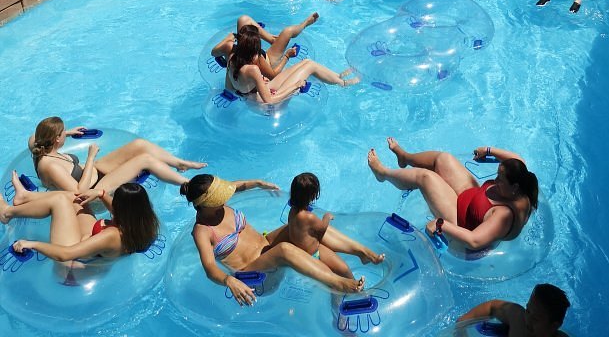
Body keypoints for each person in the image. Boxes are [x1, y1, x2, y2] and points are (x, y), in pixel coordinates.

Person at [182, 174, 366, 304]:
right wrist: (229, 281)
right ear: (205, 204)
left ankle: (362, 253)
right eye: (219, 197)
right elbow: (210, 268)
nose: (225, 197)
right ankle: (337, 282)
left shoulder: (219, 205)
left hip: (266, 244)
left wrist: (259, 183)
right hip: (255, 275)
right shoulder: (202, 231)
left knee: (302, 223)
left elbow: (238, 185)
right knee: (284, 249)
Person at [367, 139, 538, 249]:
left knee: (425, 177)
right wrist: (488, 150)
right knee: (444, 159)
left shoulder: (505, 215)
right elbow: (517, 159)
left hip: (461, 220)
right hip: (472, 195)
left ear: (515, 187)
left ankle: (383, 173)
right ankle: (405, 157)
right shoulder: (522, 180)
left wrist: (441, 224)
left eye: (500, 179)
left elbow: (474, 241)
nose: (495, 179)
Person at [1, 174, 159, 264]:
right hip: (91, 241)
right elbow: (121, 210)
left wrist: (32, 244)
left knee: (59, 201)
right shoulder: (145, 222)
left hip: (72, 259)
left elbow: (65, 255)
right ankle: (25, 196)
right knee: (75, 197)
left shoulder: (111, 236)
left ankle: (7, 213)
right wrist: (101, 194)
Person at [28, 117, 205, 195]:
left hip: (95, 172)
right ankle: (189, 185)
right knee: (145, 160)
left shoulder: (39, 146)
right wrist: (90, 158)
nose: (66, 133)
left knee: (140, 145)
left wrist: (67, 133)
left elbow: (34, 137)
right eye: (63, 132)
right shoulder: (50, 166)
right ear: (56, 139)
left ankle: (180, 163)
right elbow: (78, 192)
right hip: (94, 190)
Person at [286, 172, 384, 277]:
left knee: (342, 269)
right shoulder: (308, 217)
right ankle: (353, 282)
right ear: (311, 196)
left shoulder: (292, 211)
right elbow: (322, 229)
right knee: (344, 270)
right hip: (313, 255)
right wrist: (327, 217)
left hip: (303, 251)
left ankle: (363, 255)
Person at [225, 28, 359, 101]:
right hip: (263, 101)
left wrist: (249, 88)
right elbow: (269, 101)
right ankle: (343, 83)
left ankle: (338, 76)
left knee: (306, 62)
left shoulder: (232, 58)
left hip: (256, 94)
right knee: (310, 66)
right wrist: (296, 86)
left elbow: (229, 87)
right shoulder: (252, 69)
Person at [211, 12, 319, 77]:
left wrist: (228, 38)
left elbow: (213, 53)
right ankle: (304, 24)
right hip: (269, 61)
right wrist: (287, 56)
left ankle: (272, 39)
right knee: (288, 31)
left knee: (243, 19)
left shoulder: (229, 47)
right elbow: (273, 75)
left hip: (244, 55)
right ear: (257, 47)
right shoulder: (257, 59)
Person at [457, 283, 571, 337]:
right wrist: (461, 324)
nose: (528, 319)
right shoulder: (518, 318)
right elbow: (492, 306)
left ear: (554, 325)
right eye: (528, 310)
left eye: (536, 319)